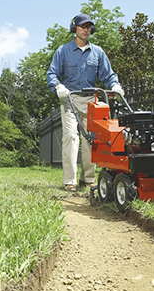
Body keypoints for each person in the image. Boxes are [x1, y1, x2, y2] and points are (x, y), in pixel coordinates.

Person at [46, 13, 124, 191]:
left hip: (91, 100)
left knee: (91, 139)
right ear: (75, 28)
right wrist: (58, 87)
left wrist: (115, 85)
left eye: (88, 27)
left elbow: (108, 75)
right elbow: (51, 74)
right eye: (82, 26)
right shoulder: (63, 51)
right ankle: (70, 181)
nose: (85, 30)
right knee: (71, 137)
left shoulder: (97, 52)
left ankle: (87, 179)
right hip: (70, 99)